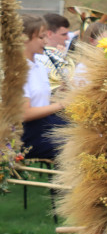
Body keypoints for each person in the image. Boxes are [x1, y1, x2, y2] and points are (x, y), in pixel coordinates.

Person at [22, 15, 66, 161]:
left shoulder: (39, 66)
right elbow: (24, 114)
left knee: (89, 133)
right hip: (26, 134)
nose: (46, 42)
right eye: (41, 38)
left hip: (44, 124)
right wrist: (61, 105)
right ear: (24, 39)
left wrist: (61, 93)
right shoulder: (18, 70)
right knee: (77, 144)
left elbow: (41, 101)